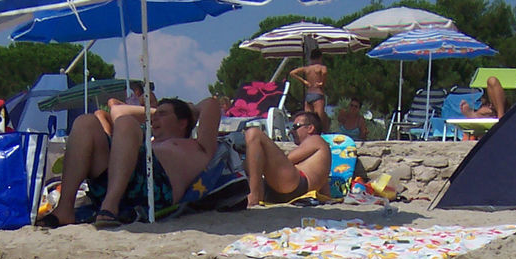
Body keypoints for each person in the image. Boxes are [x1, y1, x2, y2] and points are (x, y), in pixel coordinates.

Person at [49, 96, 222, 229]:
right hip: (120, 177)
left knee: (126, 123)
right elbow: (117, 112)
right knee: (84, 122)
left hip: (154, 189)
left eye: (162, 114)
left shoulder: (198, 147)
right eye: (154, 115)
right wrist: (154, 112)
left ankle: (110, 206)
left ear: (183, 122)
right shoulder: (151, 143)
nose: (154, 119)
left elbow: (211, 104)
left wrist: (188, 109)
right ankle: (65, 209)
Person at [242, 111, 331, 206]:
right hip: (297, 190)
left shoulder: (316, 139)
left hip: (296, 183)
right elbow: (324, 187)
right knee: (252, 161)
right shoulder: (320, 152)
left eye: (296, 127)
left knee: (253, 133)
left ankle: (254, 195)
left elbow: (289, 159)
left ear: (310, 128)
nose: (292, 131)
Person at [289, 52, 328, 120]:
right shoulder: (322, 67)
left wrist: (304, 81)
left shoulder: (307, 68)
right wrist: (322, 82)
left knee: (308, 119)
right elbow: (324, 72)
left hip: (309, 93)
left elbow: (292, 73)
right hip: (318, 93)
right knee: (319, 118)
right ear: (320, 58)